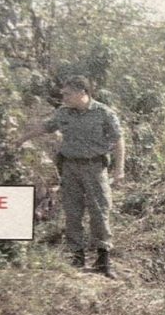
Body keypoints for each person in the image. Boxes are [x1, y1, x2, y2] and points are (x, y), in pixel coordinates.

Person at [17, 75, 125, 278]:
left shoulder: (103, 113)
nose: (63, 96)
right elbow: (45, 127)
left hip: (94, 168)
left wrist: (120, 169)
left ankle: (103, 260)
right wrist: (21, 139)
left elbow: (119, 140)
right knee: (72, 213)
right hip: (70, 168)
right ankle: (77, 258)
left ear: (82, 92)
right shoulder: (64, 113)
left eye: (67, 93)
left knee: (100, 212)